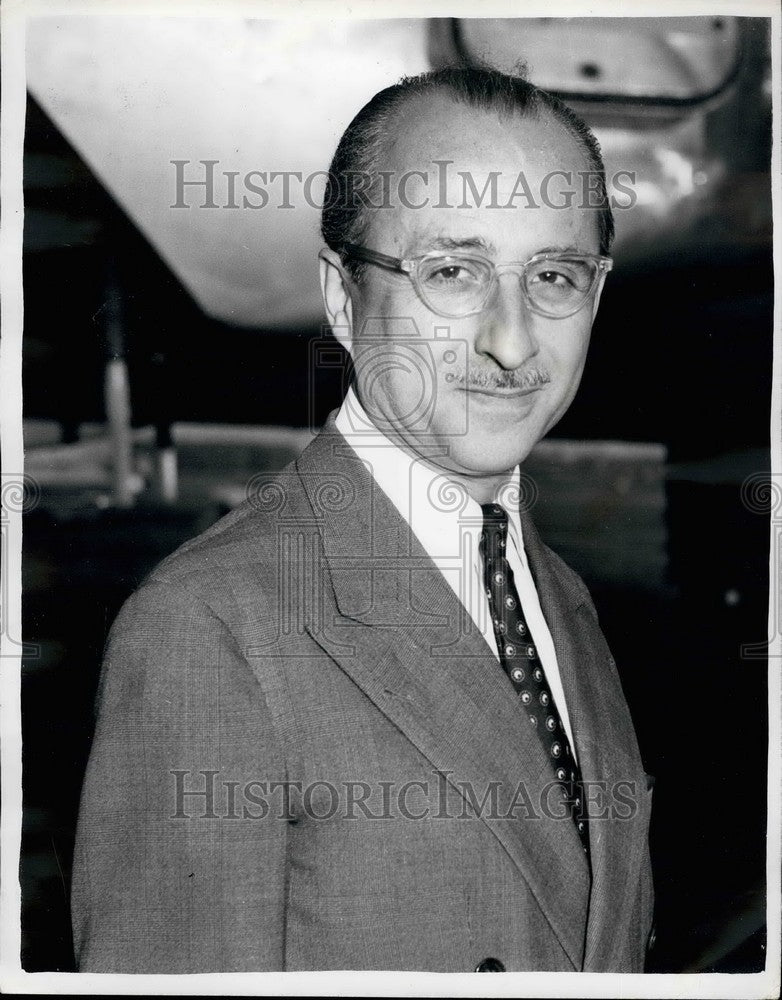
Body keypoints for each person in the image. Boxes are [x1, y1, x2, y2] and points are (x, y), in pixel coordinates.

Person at [71, 66, 654, 973]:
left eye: (554, 275)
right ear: (343, 299)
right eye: (452, 272)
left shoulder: (561, 601)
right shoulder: (209, 626)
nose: (510, 342)